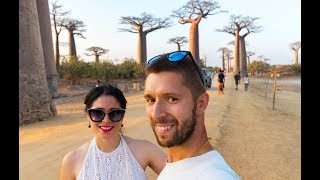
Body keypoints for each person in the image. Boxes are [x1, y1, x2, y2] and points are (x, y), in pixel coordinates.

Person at [143, 50, 240, 179]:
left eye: (171, 99)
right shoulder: (174, 166)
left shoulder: (215, 176)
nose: (156, 113)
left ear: (201, 103)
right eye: (151, 100)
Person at [59, 84, 167, 180]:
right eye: (97, 113)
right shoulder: (71, 161)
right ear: (88, 116)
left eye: (115, 113)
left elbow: (179, 173)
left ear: (122, 116)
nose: (106, 120)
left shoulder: (145, 149)